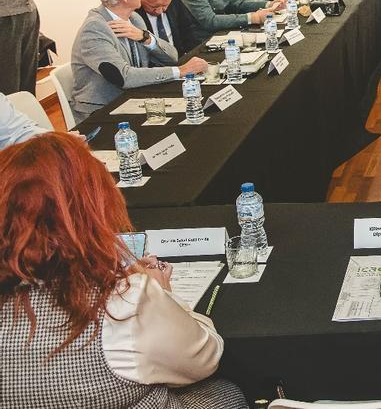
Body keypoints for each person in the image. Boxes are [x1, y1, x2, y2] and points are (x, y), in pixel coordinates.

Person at [0, 133, 247, 408]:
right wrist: (162, 294)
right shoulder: (125, 303)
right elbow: (206, 357)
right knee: (226, 392)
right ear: (90, 209)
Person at [70, 0, 207, 123]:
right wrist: (180, 71)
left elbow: (172, 57)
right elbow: (124, 77)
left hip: (133, 99)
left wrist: (146, 38)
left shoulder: (134, 19)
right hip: (102, 111)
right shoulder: (95, 28)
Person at [136, 0, 202, 55]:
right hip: (153, 60)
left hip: (178, 56)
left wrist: (195, 55)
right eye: (153, 6)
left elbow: (188, 27)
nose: (159, 11)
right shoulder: (133, 10)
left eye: (164, 5)